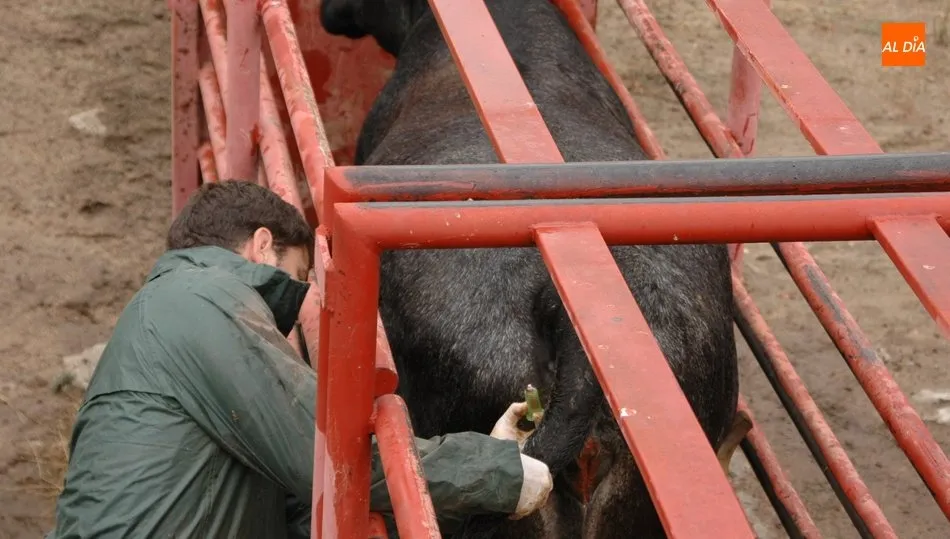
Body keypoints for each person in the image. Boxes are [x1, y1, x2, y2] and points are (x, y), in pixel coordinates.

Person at [48, 180, 553, 538]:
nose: (290, 321)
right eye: (293, 279)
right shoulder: (204, 300)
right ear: (263, 246)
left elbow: (310, 511)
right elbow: (327, 458)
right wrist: (495, 472)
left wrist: (487, 455)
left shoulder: (169, 306)